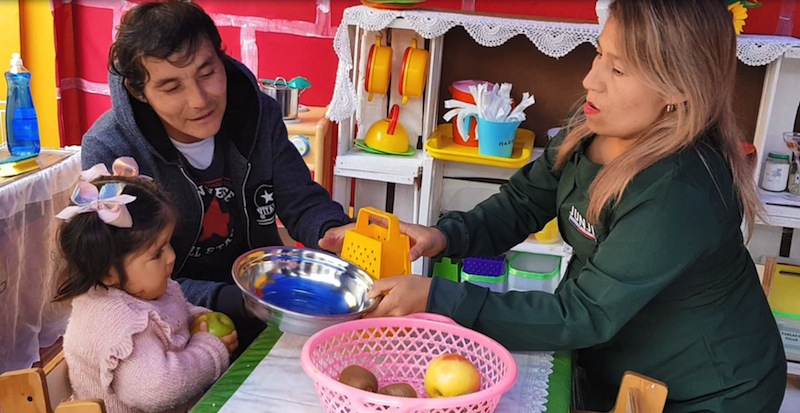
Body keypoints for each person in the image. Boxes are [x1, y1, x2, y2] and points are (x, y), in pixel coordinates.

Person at [354, 1, 787, 411]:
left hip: (708, 393)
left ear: (678, 88)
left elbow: (585, 313)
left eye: (618, 68)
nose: (590, 80)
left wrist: (438, 297)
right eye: (600, 54)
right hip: (617, 363)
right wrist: (446, 236)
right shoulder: (593, 124)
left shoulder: (678, 191)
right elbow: (522, 202)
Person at [80, 1, 352, 353]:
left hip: (263, 301)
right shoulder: (111, 149)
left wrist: (333, 231)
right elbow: (124, 275)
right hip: (170, 332)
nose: (199, 100)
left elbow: (300, 200)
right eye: (171, 87)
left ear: (221, 58)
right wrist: (228, 299)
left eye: (207, 73)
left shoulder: (257, 114)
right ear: (137, 90)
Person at [54, 168, 237, 413]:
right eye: (157, 253)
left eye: (168, 244)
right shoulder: (116, 324)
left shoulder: (145, 288)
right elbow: (157, 389)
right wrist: (209, 351)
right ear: (109, 273)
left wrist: (199, 319)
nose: (171, 257)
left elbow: (175, 312)